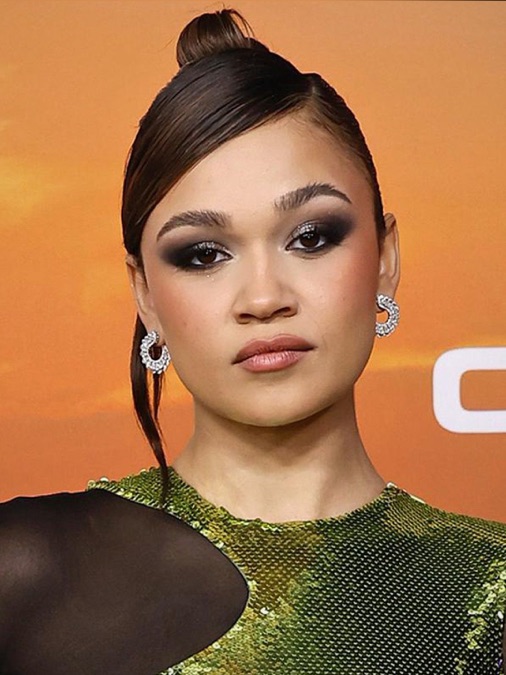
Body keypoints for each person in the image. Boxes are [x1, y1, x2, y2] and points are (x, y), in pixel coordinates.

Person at [0, 8, 505, 674]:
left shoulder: (490, 592)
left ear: (385, 258)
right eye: (204, 254)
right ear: (144, 292)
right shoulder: (23, 571)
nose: (264, 298)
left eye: (311, 237)